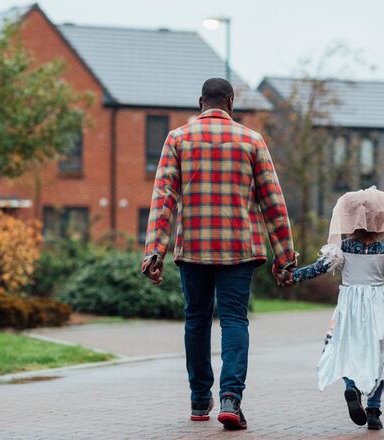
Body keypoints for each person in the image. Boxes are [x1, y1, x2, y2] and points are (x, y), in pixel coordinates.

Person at [141, 77, 297, 430]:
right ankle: (230, 398)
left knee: (196, 320)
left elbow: (163, 198)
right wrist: (284, 256)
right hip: (238, 250)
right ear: (230, 102)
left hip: (193, 248)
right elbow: (272, 202)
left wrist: (154, 252)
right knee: (233, 321)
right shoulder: (252, 140)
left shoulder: (177, 138)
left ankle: (199, 401)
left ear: (200, 102)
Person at [284, 186, 384, 430]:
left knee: (346, 347)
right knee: (380, 353)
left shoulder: (342, 249)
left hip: (349, 306)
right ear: (382, 221)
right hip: (377, 306)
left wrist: (295, 276)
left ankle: (351, 387)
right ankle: (374, 410)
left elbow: (319, 267)